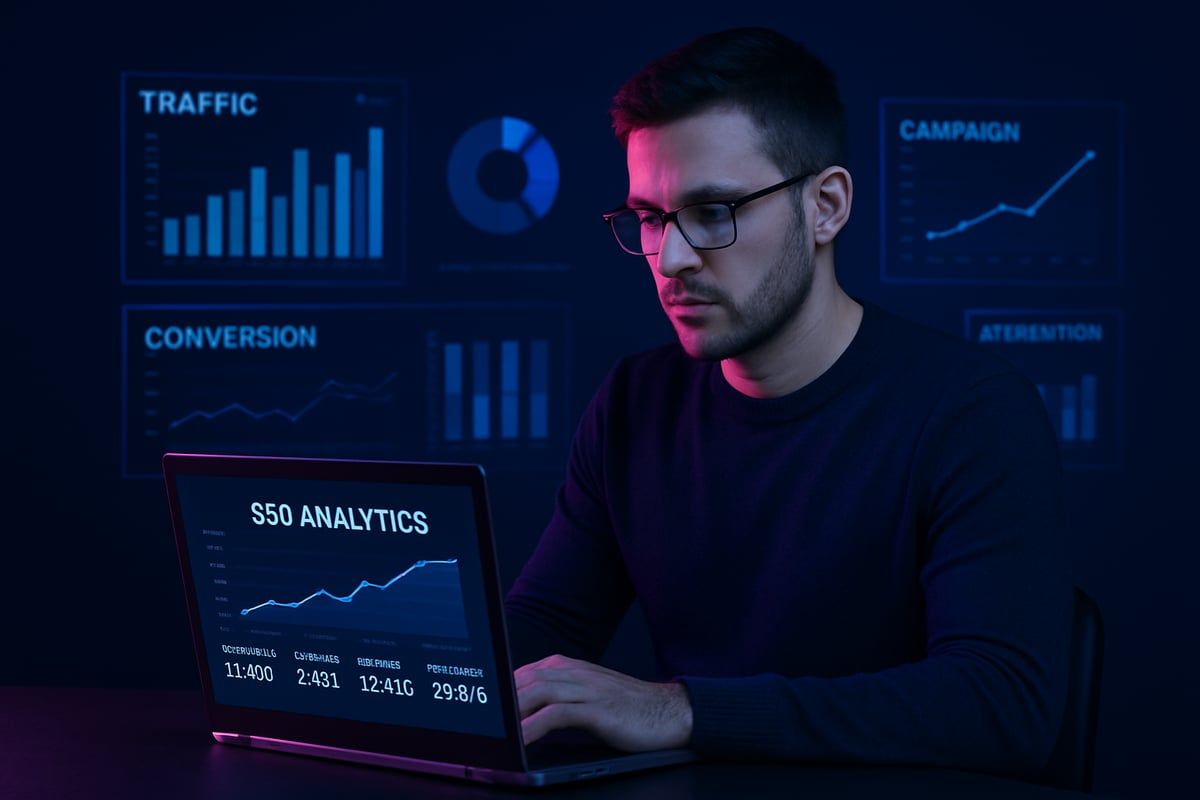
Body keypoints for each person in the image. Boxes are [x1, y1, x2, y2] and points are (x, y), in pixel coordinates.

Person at [503, 26, 1071, 780]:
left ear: (827, 206)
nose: (670, 258)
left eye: (714, 212)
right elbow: (541, 628)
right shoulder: (636, 405)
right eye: (649, 216)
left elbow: (1001, 706)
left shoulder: (972, 413)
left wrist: (681, 710)